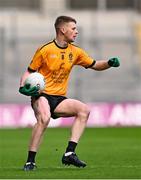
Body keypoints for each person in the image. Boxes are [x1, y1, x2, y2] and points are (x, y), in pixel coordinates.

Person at [19, 15, 120, 171]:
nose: (76, 32)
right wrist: (22, 87)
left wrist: (109, 63)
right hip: (42, 95)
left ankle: (69, 153)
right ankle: (30, 161)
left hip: (59, 98)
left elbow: (95, 64)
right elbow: (29, 72)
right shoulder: (45, 50)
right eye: (73, 29)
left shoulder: (76, 52)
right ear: (62, 30)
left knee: (84, 110)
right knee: (44, 119)